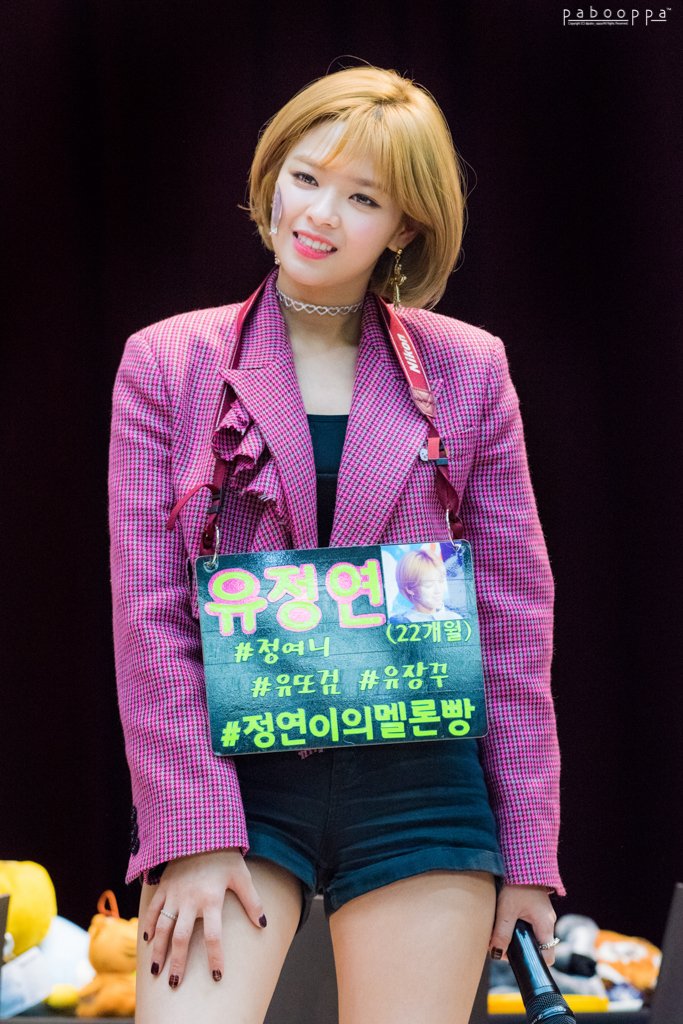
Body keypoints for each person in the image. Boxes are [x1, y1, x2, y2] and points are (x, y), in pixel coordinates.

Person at [109, 65, 563, 1024]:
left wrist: (527, 854)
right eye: (305, 177)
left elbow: (514, 621)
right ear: (271, 174)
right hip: (236, 779)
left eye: (362, 198)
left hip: (421, 780)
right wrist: (190, 830)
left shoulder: (468, 367)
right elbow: (149, 615)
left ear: (403, 227)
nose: (318, 214)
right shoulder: (167, 359)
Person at [389, 546, 462, 623]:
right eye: (429, 585)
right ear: (409, 589)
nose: (438, 590)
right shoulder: (399, 623)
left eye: (440, 581)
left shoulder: (455, 618)